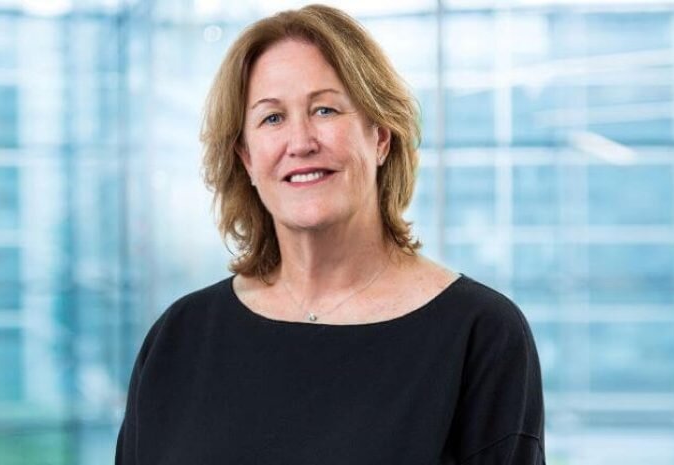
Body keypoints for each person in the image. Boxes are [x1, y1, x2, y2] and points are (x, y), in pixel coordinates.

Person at [116, 4, 544, 464]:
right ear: (247, 158)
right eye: (272, 118)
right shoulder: (179, 338)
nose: (301, 143)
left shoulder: (480, 335)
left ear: (381, 136)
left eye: (325, 110)